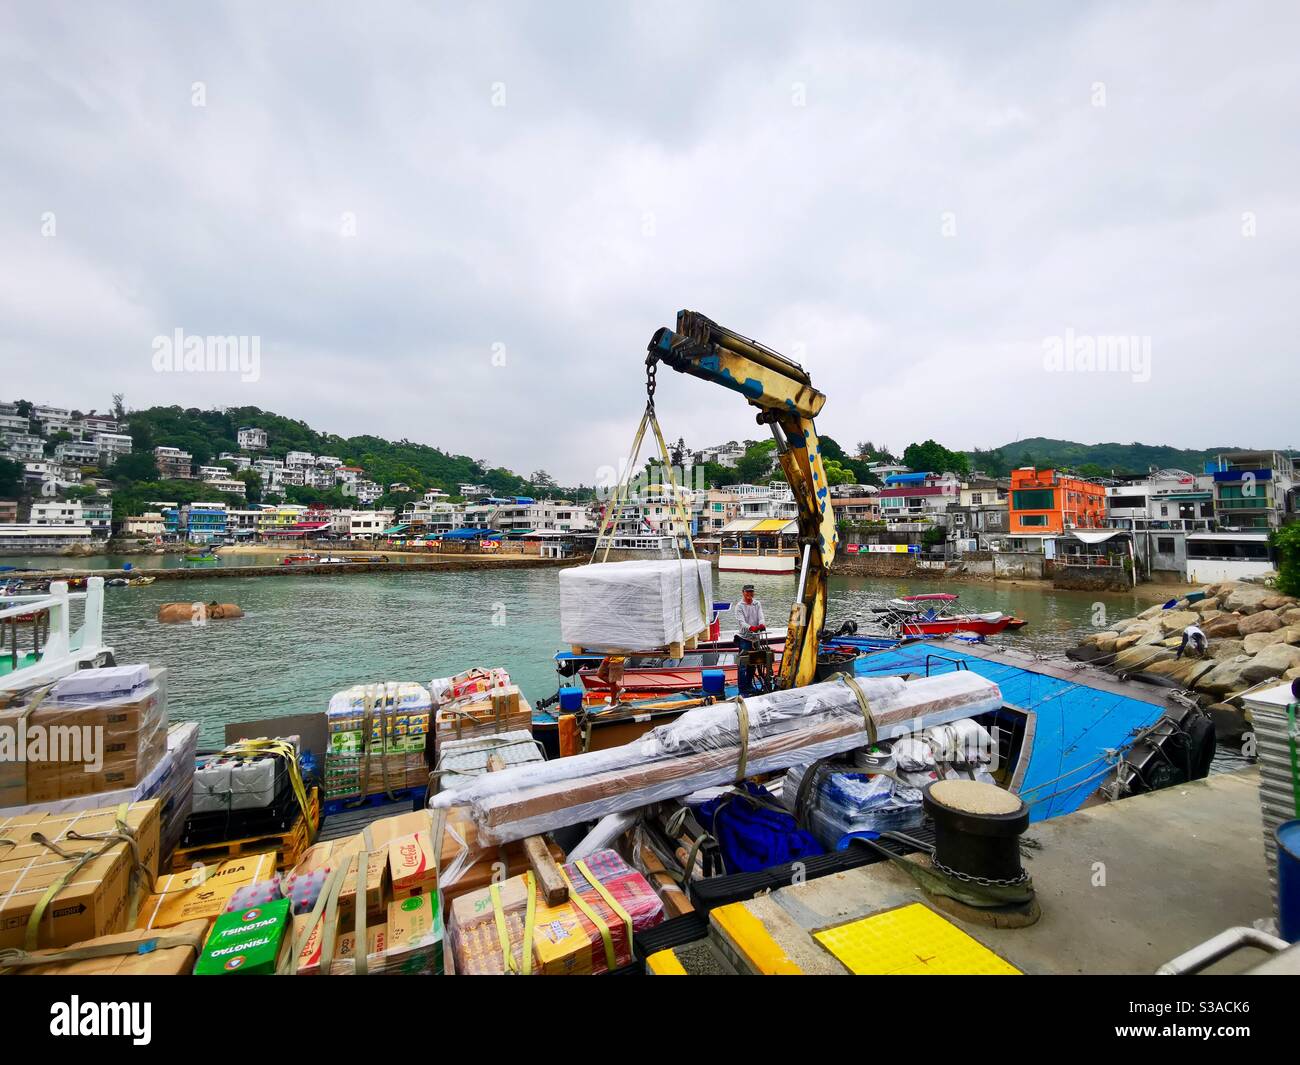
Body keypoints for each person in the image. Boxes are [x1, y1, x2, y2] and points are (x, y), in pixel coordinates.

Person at [734, 585, 766, 696]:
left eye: (751, 592)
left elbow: (761, 616)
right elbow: (741, 622)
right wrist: (751, 627)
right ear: (743, 592)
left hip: (755, 638)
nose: (749, 594)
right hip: (744, 638)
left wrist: (762, 624)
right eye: (747, 592)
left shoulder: (757, 604)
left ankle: (749, 686)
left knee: (753, 663)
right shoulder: (739, 606)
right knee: (742, 665)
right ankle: (742, 689)